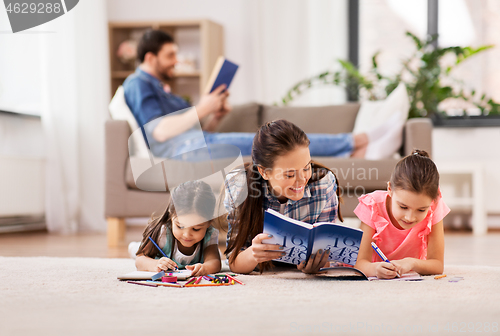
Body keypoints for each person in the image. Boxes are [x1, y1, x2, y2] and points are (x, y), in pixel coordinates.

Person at [122, 29, 393, 160]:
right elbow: (158, 132)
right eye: (170, 55)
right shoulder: (137, 84)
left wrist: (214, 114)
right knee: (268, 141)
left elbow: (190, 128)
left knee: (269, 141)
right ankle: (357, 142)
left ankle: (357, 148)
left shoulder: (161, 89)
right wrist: (202, 107)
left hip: (198, 142)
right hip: (183, 153)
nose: (175, 61)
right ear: (149, 57)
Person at [224, 119, 343, 274]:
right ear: (264, 172)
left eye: (307, 168)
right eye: (290, 174)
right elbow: (234, 262)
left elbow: (328, 255)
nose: (302, 180)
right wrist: (253, 253)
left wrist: (316, 264)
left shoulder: (323, 184)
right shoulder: (239, 186)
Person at [354, 150, 450, 279]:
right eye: (403, 207)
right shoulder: (373, 205)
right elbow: (360, 263)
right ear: (390, 189)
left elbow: (437, 265)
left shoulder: (434, 206)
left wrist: (411, 262)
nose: (410, 217)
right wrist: (375, 269)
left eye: (421, 210)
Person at [134, 180, 221, 276]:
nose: (187, 235)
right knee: (136, 250)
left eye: (196, 229)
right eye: (180, 226)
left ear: (209, 223)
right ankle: (133, 246)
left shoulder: (210, 234)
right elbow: (140, 260)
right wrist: (155, 264)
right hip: (154, 250)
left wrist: (205, 268)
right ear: (171, 216)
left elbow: (214, 262)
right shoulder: (162, 232)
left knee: (218, 254)